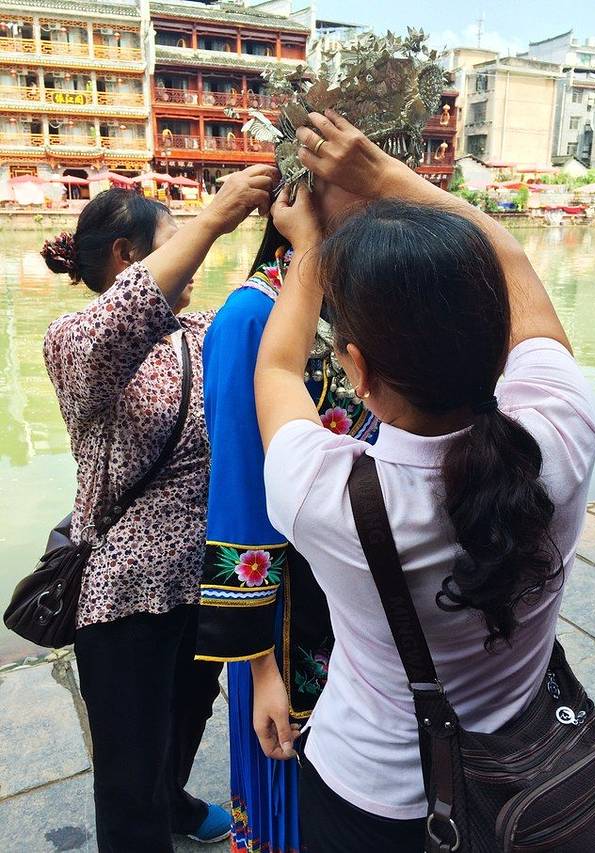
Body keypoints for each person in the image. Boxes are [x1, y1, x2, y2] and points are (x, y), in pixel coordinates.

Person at [254, 111, 595, 852]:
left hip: (372, 801)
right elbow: (510, 257)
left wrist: (309, 249)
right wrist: (387, 178)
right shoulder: (562, 430)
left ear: (358, 370)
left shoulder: (326, 498)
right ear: (499, 336)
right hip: (524, 764)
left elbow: (276, 369)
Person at [41, 169, 276, 853]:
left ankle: (172, 800)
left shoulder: (197, 330)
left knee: (187, 713)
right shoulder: (72, 340)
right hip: (126, 595)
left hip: (204, 580)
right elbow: (120, 321)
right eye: (179, 242)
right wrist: (215, 217)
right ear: (126, 254)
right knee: (127, 765)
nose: (196, 259)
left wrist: (282, 227)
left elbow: (263, 313)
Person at [195, 195, 378, 853]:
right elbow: (240, 497)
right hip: (290, 611)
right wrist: (261, 667)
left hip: (362, 596)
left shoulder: (356, 298)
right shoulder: (249, 318)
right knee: (292, 777)